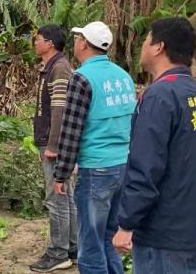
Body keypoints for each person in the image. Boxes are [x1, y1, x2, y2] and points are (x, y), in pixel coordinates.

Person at [113, 17, 196, 273]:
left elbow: (146, 167)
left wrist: (126, 224)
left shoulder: (160, 96)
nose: (143, 47)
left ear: (158, 47)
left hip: (164, 234)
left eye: (146, 40)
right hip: (193, 226)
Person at [53, 21, 136, 274]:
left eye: (78, 38)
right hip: (122, 165)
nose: (75, 42)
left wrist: (61, 173)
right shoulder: (123, 76)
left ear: (84, 44)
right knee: (108, 237)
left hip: (96, 169)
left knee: (89, 246)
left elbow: (71, 130)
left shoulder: (81, 78)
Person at [30, 25, 77, 273]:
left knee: (56, 196)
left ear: (49, 43)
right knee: (65, 196)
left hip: (53, 144)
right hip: (52, 141)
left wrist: (53, 145)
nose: (34, 43)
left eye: (36, 39)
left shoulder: (59, 68)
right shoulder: (53, 67)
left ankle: (58, 252)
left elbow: (60, 109)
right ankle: (70, 248)